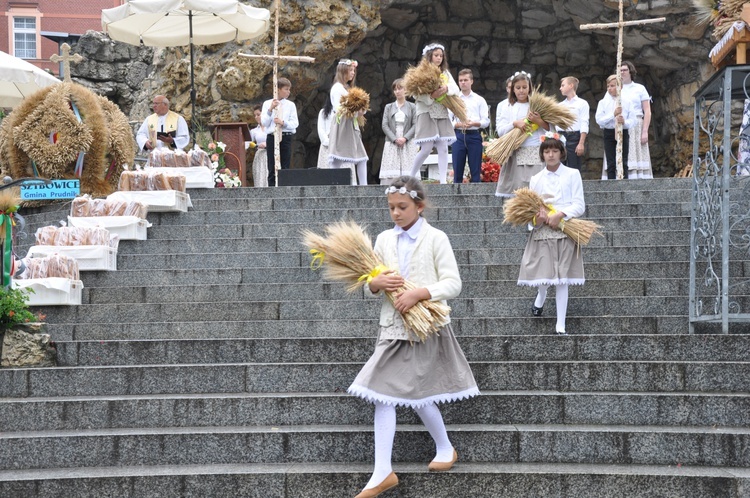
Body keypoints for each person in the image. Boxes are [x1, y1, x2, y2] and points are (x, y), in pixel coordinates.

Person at [348, 175, 479, 498]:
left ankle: (388, 470)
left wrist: (420, 293)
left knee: (396, 393)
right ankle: (430, 453)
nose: (395, 213)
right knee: (396, 392)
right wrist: (376, 285)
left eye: (402, 207)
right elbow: (370, 285)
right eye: (391, 207)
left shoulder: (436, 238)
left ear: (419, 206)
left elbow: (453, 283)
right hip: (392, 327)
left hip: (425, 328)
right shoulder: (382, 240)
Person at [519, 133, 585, 336]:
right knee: (544, 275)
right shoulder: (536, 179)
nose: (551, 155)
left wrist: (561, 215)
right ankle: (541, 295)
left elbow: (579, 204)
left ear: (562, 152)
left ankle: (560, 323)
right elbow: (532, 209)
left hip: (565, 230)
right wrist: (537, 220)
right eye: (547, 151)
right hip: (543, 233)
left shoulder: (572, 174)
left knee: (561, 278)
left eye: (555, 150)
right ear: (542, 154)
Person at [408, 43, 459, 184]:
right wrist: (431, 95)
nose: (439, 58)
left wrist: (446, 88)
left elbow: (456, 89)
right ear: (429, 56)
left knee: (443, 147)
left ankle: (443, 180)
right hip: (427, 112)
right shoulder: (421, 72)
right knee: (426, 148)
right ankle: (411, 176)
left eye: (441, 56)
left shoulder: (445, 73)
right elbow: (415, 94)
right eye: (436, 55)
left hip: (441, 112)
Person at [495, 71, 549, 197]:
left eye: (524, 87)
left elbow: (550, 128)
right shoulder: (507, 106)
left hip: (534, 149)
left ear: (530, 87)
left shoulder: (537, 105)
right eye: (518, 88)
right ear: (512, 89)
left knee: (534, 188)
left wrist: (538, 121)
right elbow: (500, 130)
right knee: (517, 190)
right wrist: (514, 123)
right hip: (514, 150)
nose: (521, 91)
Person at [328, 59, 369, 185]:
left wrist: (361, 109)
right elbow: (339, 108)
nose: (352, 73)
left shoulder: (346, 88)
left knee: (362, 157)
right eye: (350, 70)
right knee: (338, 157)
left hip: (351, 125)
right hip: (343, 125)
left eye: (354, 71)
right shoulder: (337, 88)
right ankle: (332, 184)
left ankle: (363, 186)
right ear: (343, 71)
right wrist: (357, 111)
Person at [450, 68, 490, 183]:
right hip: (458, 135)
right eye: (461, 80)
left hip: (474, 135)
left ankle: (476, 197)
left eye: (465, 80)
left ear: (471, 81)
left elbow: (486, 121)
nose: (463, 82)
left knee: (475, 170)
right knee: (457, 170)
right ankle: (455, 198)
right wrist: (459, 124)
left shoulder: (479, 100)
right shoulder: (454, 99)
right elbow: (448, 120)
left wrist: (474, 123)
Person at [596, 74, 636, 180]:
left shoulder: (627, 102)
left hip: (623, 132)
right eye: (608, 86)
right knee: (611, 161)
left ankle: (625, 182)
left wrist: (624, 122)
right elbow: (599, 120)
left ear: (620, 87)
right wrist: (612, 115)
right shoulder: (603, 103)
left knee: (624, 160)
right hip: (609, 132)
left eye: (612, 86)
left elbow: (633, 120)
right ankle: (611, 185)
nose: (609, 88)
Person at [261, 77, 299, 186]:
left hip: (285, 136)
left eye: (289, 89)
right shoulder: (267, 103)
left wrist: (283, 123)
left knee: (285, 166)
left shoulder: (290, 105)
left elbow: (295, 123)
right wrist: (270, 109)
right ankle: (272, 189)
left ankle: (284, 189)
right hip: (272, 137)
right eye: (286, 89)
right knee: (272, 166)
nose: (288, 92)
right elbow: (264, 123)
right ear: (278, 89)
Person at [380, 78, 417, 184]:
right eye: (395, 89)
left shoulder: (412, 107)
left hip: (407, 140)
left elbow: (415, 124)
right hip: (392, 140)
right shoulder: (389, 107)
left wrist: (405, 138)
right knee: (391, 167)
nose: (397, 91)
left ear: (406, 90)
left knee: (408, 168)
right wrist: (395, 139)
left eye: (400, 88)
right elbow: (384, 125)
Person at [620, 61, 652, 178]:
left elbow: (647, 111)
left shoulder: (639, 88)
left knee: (636, 153)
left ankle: (638, 177)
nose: (622, 72)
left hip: (636, 124)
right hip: (620, 124)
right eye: (620, 70)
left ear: (630, 72)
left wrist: (645, 131)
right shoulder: (616, 88)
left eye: (624, 70)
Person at [317, 96, 356, 185]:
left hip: (344, 147)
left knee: (345, 174)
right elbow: (321, 129)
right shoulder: (323, 112)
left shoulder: (348, 113)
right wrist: (328, 142)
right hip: (328, 146)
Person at [557, 76, 589, 171]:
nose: (560, 88)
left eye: (563, 85)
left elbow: (584, 123)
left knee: (574, 168)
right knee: (559, 166)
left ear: (571, 86)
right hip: (560, 136)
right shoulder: (560, 105)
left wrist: (581, 143)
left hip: (574, 137)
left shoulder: (582, 103)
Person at [249, 104, 268, 187]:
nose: (256, 117)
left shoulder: (271, 128)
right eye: (255, 115)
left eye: (258, 115)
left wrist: (268, 144)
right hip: (259, 155)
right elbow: (248, 143)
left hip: (270, 154)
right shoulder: (254, 131)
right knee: (260, 176)